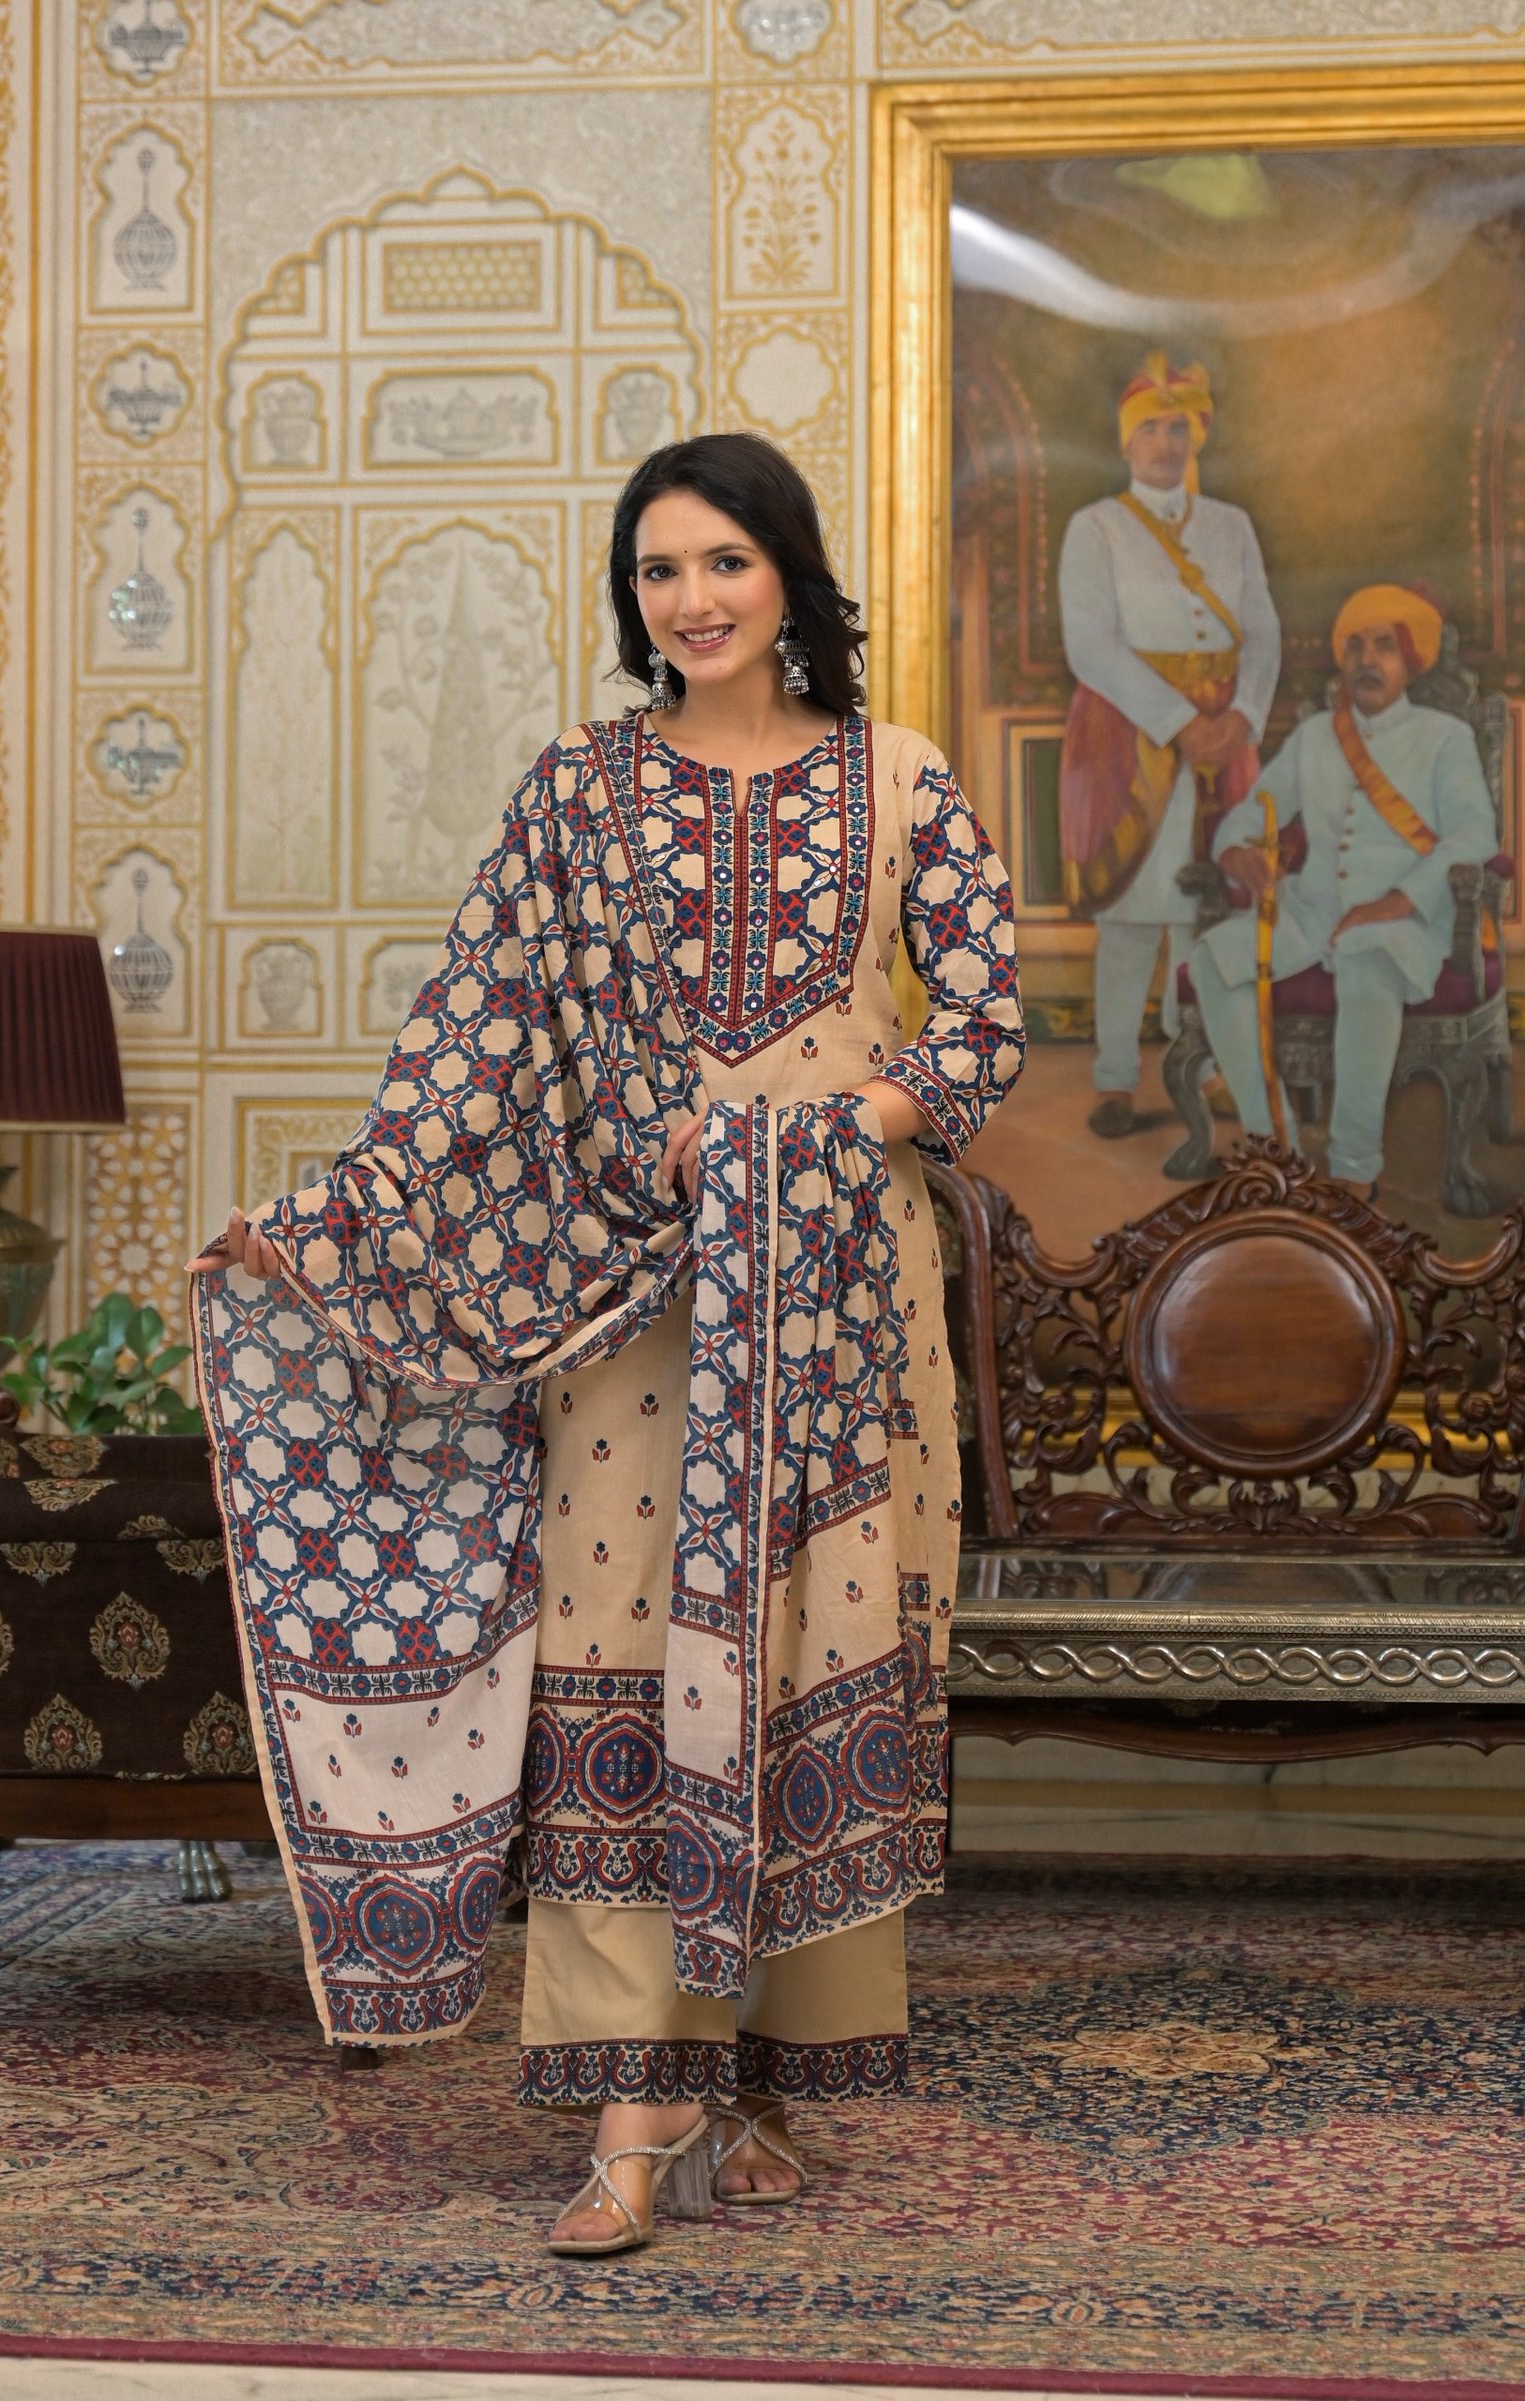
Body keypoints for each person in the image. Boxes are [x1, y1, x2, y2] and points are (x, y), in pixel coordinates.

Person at [189, 433, 1024, 2257]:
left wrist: (840, 1125)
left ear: (790, 575)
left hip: (843, 1286)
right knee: (626, 1664)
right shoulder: (577, 790)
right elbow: (468, 1040)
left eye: (725, 561)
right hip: (640, 1291)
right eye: (659, 570)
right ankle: (638, 2107)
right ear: (631, 598)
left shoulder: (898, 777)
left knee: (810, 1650)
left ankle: (762, 2082)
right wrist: (326, 1223)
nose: (693, 599)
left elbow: (980, 1026)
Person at [1190, 583, 1496, 1198]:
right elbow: (1252, 811)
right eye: (1355, 646)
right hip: (1313, 911)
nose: (1367, 660)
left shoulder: (1444, 737)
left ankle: (1355, 1170)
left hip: (1406, 920)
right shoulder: (1313, 737)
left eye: (1384, 646)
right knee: (1212, 959)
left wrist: (1399, 900)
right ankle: (1276, 1147)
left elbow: (1474, 836)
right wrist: (1238, 850)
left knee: (1365, 961)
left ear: (1411, 660)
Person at [1058, 351, 1281, 1136]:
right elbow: (1091, 646)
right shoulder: (1096, 528)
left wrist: (1242, 717)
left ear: (1196, 438)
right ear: (1127, 441)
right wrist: (1182, 723)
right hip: (1128, 736)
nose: (1164, 443)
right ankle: (1117, 1076)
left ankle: (1207, 1065)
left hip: (1224, 740)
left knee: (1204, 914)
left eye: (1177, 428)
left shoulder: (1232, 526)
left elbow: (1262, 632)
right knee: (1129, 918)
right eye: (1149, 428)